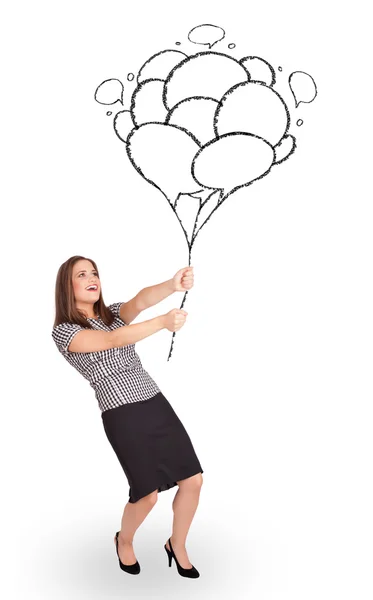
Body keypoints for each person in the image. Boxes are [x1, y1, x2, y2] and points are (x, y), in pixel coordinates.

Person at [51, 255, 203, 578]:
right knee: (146, 496)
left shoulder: (112, 314)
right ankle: (124, 540)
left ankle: (177, 544)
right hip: (121, 413)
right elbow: (112, 340)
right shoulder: (64, 332)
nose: (92, 278)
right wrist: (162, 323)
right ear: (67, 286)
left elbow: (139, 300)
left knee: (193, 479)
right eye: (82, 274)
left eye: (94, 272)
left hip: (154, 401)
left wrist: (172, 285)